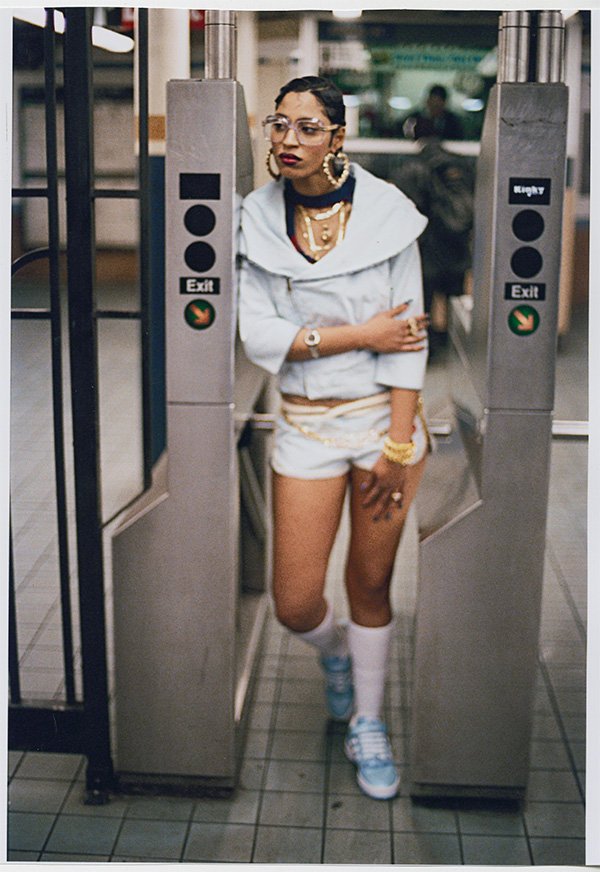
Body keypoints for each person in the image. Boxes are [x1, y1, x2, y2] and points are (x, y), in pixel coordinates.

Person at [238, 76, 429, 801]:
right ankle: (339, 654)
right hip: (306, 427)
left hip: (384, 424)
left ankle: (370, 722)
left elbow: (407, 342)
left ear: (338, 137)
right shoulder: (252, 220)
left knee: (371, 583)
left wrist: (400, 444)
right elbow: (259, 333)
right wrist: (359, 333)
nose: (288, 140)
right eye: (278, 126)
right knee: (294, 603)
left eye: (308, 128)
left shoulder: (388, 217)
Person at [392, 115, 474, 352]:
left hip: (428, 250)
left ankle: (424, 352)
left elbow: (406, 209)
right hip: (457, 247)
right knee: (456, 303)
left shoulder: (410, 166)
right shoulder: (461, 163)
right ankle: (457, 351)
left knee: (423, 303)